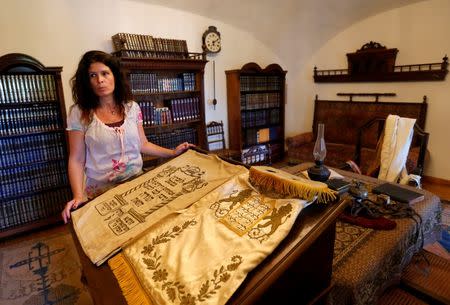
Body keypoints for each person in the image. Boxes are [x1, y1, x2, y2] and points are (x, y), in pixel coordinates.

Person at [61, 50, 194, 223]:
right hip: (101, 193)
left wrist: (172, 153)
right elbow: (76, 159)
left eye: (105, 73)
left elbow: (143, 144)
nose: (99, 80)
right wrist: (78, 196)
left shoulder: (132, 108)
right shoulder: (79, 113)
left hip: (137, 185)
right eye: (92, 75)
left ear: (114, 76)